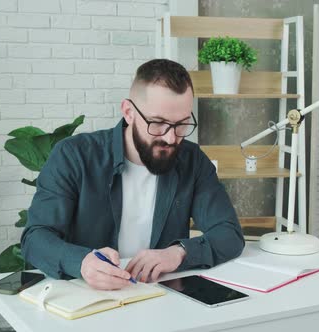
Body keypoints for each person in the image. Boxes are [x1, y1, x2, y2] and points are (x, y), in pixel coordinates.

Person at [21, 59, 244, 290]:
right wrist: (82, 263)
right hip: (86, 297)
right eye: (158, 123)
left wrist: (180, 252)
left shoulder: (192, 160)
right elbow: (35, 239)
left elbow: (228, 234)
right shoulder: (74, 155)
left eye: (182, 124)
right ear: (128, 112)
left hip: (161, 298)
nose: (170, 138)